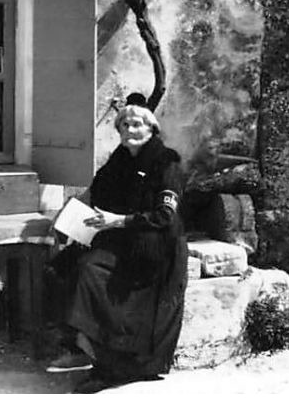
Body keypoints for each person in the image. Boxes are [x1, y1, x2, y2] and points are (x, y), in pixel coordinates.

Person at [49, 99, 189, 392]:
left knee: (93, 273)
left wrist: (118, 221)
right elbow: (97, 189)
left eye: (136, 124)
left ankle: (111, 367)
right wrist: (68, 216)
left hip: (156, 250)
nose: (129, 130)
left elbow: (164, 216)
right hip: (124, 240)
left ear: (151, 128)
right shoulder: (121, 158)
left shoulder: (167, 162)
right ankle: (81, 348)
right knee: (70, 263)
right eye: (124, 125)